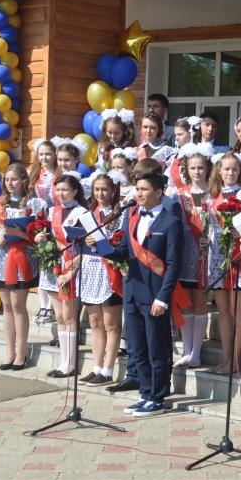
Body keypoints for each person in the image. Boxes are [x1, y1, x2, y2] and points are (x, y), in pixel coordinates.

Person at [98, 172, 185, 417]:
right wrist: (101, 247)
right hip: (132, 291)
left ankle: (157, 396)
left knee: (157, 347)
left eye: (144, 189)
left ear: (159, 192)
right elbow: (123, 252)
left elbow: (173, 264)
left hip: (155, 293)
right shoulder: (132, 217)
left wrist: (163, 297)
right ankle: (145, 393)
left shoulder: (171, 222)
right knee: (137, 347)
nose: (139, 194)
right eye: (137, 189)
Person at [0, 163, 47, 371]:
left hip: (23, 256)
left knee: (18, 305)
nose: (10, 183)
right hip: (3, 256)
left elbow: (39, 234)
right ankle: (9, 352)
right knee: (7, 306)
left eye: (14, 179)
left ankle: (21, 353)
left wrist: (20, 234)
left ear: (23, 180)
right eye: (7, 180)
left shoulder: (35, 204)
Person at [207, 153, 241, 375]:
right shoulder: (213, 194)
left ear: (240, 171)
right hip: (216, 255)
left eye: (235, 169)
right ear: (219, 171)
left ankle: (234, 360)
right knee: (222, 311)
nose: (230, 173)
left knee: (235, 309)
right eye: (226, 169)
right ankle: (224, 358)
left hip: (238, 252)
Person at [35, 172, 89, 379]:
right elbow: (51, 236)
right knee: (59, 316)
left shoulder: (82, 213)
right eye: (57, 190)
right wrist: (41, 237)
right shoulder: (53, 211)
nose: (61, 193)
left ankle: (71, 363)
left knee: (69, 315)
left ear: (75, 191)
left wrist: (73, 269)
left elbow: (87, 245)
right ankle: (63, 361)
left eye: (65, 190)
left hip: (73, 265)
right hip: (55, 265)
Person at [168, 144, 215, 369]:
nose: (197, 171)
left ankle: (196, 352)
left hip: (205, 252)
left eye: (201, 167)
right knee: (185, 303)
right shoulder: (179, 195)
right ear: (187, 169)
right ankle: (187, 351)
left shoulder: (214, 193)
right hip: (184, 251)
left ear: (207, 169)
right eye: (193, 168)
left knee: (200, 302)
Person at [77, 172, 125, 386]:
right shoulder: (88, 214)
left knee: (111, 323)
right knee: (95, 322)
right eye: (97, 189)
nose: (100, 193)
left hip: (110, 269)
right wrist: (85, 240)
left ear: (113, 190)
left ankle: (108, 369)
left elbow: (122, 241)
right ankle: (96, 367)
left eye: (105, 189)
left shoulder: (120, 214)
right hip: (91, 268)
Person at [28, 140, 57, 324]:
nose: (44, 158)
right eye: (41, 154)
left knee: (53, 263)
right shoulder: (34, 175)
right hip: (40, 222)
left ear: (54, 155)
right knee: (42, 264)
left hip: (56, 221)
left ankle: (52, 306)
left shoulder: (59, 174)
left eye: (48, 154)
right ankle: (43, 305)